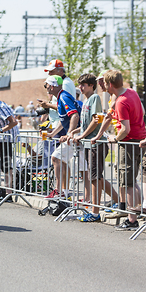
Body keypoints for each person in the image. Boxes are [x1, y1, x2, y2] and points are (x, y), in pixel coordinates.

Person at [92, 70, 146, 230]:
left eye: (104, 83)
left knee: (128, 181)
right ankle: (135, 212)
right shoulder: (132, 92)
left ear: (109, 84)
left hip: (128, 141)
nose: (103, 87)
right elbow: (142, 112)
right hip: (139, 140)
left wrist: (114, 138)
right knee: (134, 180)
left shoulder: (121, 101)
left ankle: (132, 220)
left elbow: (125, 129)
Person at [72, 73, 118, 221]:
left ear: (91, 85)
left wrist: (81, 135)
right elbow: (85, 124)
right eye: (80, 84)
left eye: (83, 85)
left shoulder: (95, 98)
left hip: (95, 143)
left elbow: (96, 121)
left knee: (94, 178)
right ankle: (119, 202)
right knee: (97, 177)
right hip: (88, 142)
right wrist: (75, 132)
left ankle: (95, 212)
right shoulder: (85, 101)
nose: (80, 87)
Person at [38, 75, 82, 200]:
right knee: (63, 161)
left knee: (56, 157)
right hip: (76, 134)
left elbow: (74, 116)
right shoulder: (60, 97)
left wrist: (69, 133)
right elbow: (63, 120)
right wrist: (53, 133)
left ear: (52, 86)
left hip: (77, 134)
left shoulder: (63, 96)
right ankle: (64, 192)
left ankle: (59, 191)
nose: (46, 88)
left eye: (46, 85)